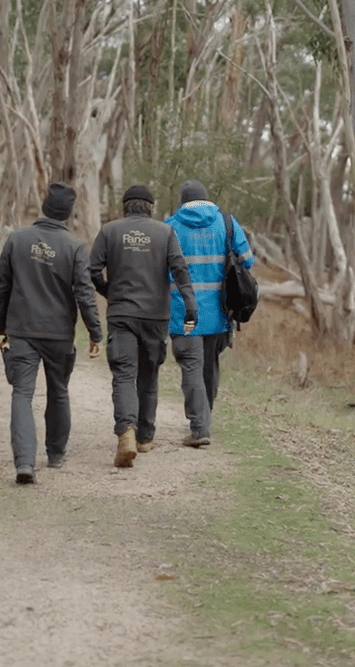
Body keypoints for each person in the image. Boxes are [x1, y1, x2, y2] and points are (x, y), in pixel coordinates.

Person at [0, 182, 103, 484]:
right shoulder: (74, 247)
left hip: (22, 331)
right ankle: (55, 453)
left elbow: (1, 286)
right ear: (68, 213)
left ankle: (25, 463)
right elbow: (84, 294)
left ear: (44, 207)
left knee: (22, 393)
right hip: (58, 334)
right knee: (59, 391)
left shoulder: (17, 239)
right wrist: (95, 331)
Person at [89, 185, 198, 468]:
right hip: (155, 317)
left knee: (124, 374)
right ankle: (145, 437)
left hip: (121, 314)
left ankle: (126, 431)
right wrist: (190, 304)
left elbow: (91, 270)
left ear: (125, 205)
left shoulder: (110, 231)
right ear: (151, 206)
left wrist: (107, 291)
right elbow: (180, 269)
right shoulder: (165, 233)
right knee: (149, 375)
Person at [164, 180, 256, 448]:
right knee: (209, 366)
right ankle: (204, 420)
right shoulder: (226, 222)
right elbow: (248, 260)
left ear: (182, 201)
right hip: (220, 312)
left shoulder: (171, 225)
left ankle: (199, 426)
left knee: (191, 368)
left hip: (184, 313)